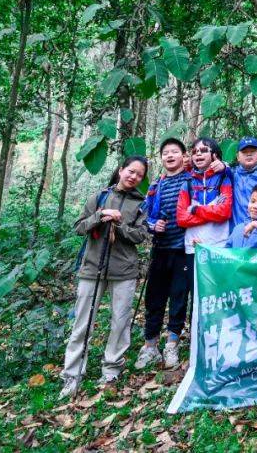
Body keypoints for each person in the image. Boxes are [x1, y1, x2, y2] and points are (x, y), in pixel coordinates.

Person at [60, 156, 149, 398]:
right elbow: (79, 227)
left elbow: (141, 235)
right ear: (121, 170)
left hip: (125, 271)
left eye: (139, 175)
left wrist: (119, 226)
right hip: (92, 268)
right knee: (82, 323)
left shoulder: (141, 203)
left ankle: (112, 369)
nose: (134, 177)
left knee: (120, 322)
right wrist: (100, 215)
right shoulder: (98, 197)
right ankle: (72, 374)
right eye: (131, 171)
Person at [134, 138, 192, 371]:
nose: (169, 156)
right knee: (154, 298)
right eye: (165, 152)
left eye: (174, 152)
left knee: (179, 297)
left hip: (183, 249)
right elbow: (144, 216)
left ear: (183, 156)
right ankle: (150, 346)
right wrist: (152, 225)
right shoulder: (155, 186)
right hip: (160, 249)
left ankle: (172, 344)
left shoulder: (191, 180)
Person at [177, 137, 233, 254]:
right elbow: (181, 219)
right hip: (192, 246)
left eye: (203, 150)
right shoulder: (187, 184)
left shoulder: (224, 180)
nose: (198, 154)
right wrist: (213, 216)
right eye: (194, 152)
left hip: (219, 245)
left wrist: (195, 209)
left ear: (214, 155)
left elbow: (224, 212)